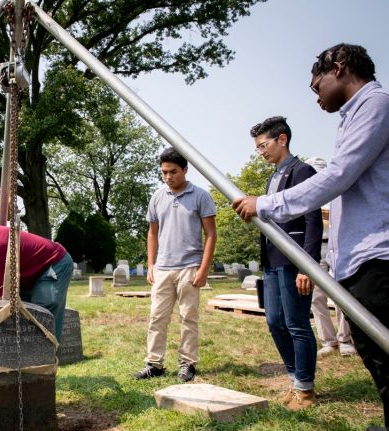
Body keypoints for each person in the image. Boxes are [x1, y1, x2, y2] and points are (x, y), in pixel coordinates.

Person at [232, 43, 389, 429]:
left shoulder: (376, 105)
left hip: (378, 254)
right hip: (354, 256)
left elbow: (336, 179)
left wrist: (265, 205)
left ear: (338, 68)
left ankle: (306, 383)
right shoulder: (352, 117)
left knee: (380, 347)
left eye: (315, 84)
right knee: (376, 353)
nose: (315, 95)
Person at [250, 116, 323, 409]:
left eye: (263, 145)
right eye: (257, 148)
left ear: (282, 139)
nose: (260, 152)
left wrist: (308, 266)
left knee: (297, 323)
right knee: (274, 321)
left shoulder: (302, 171)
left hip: (294, 261)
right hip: (271, 260)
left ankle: (306, 389)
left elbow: (312, 221)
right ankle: (295, 380)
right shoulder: (272, 177)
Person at [134, 147, 216, 383]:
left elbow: (211, 235)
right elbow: (152, 233)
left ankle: (187, 363)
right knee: (156, 317)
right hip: (162, 269)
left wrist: (203, 269)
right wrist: (151, 265)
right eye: (164, 173)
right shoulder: (157, 197)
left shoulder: (201, 196)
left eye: (173, 172)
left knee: (188, 318)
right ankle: (154, 364)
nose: (168, 177)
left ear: (185, 170)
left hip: (190, 267)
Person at [304, 157, 356, 359]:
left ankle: (345, 339)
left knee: (341, 296)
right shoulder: (308, 194)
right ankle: (328, 341)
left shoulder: (338, 192)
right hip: (317, 248)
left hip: (337, 246)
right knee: (316, 297)